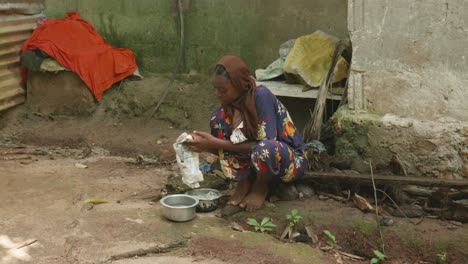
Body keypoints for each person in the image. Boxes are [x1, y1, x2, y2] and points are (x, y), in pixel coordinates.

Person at [186, 55, 307, 211]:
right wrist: (202, 144)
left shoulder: (261, 96)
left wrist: (214, 143)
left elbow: (265, 146)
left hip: (288, 160)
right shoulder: (226, 109)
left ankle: (261, 185)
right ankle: (244, 181)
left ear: (239, 85)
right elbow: (225, 147)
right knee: (218, 118)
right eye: (215, 89)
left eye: (222, 90)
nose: (217, 94)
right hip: (255, 159)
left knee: (264, 149)